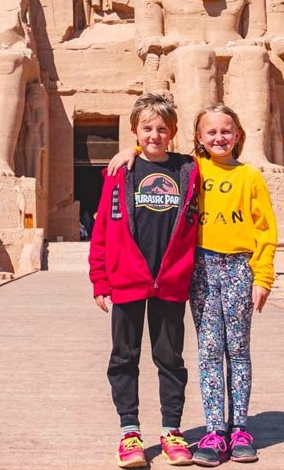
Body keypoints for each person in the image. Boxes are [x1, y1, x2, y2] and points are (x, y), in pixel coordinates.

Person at [109, 103, 277, 466]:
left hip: (234, 268)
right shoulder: (190, 166)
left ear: (238, 135)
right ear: (199, 138)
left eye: (226, 131)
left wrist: (263, 275)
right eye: (210, 132)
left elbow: (266, 229)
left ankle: (237, 427)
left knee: (236, 349)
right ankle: (215, 429)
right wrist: (131, 151)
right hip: (199, 267)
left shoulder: (232, 173)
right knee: (208, 349)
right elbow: (155, 152)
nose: (219, 138)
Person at [89, 94, 201, 468]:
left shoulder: (189, 169)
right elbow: (103, 226)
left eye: (162, 129)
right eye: (147, 129)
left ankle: (172, 430)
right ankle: (129, 431)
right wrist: (99, 279)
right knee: (124, 357)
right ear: (136, 131)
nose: (155, 135)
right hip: (128, 278)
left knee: (170, 358)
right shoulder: (121, 171)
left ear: (173, 133)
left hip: (169, 280)